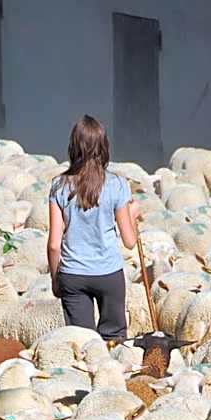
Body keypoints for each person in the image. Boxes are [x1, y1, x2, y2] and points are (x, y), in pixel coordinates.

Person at [47, 114, 140, 343]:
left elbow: (54, 244)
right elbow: (130, 241)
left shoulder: (59, 185)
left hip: (73, 274)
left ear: (73, 147)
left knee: (82, 344)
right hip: (108, 273)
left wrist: (56, 279)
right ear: (104, 146)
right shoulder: (117, 184)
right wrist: (132, 213)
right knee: (114, 341)